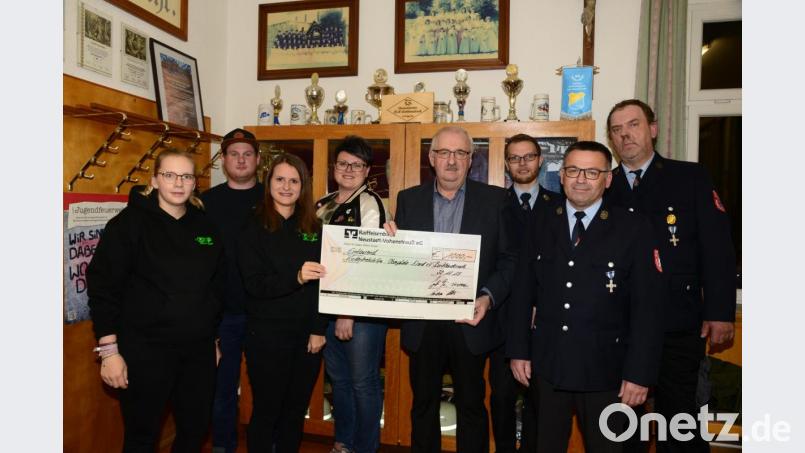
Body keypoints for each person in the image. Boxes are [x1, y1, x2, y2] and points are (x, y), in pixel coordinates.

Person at [508, 141, 665, 452]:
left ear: (607, 179)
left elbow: (648, 309)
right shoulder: (540, 221)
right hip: (549, 368)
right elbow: (523, 292)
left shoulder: (633, 228)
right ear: (562, 176)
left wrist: (639, 374)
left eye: (592, 172)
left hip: (607, 373)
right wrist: (518, 350)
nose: (581, 179)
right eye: (573, 170)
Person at [605, 99, 737, 452]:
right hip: (621, 327)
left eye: (632, 124)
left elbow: (718, 247)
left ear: (653, 129)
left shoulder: (689, 177)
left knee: (678, 421)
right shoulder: (605, 187)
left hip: (677, 323)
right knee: (622, 422)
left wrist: (720, 311)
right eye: (616, 130)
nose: (625, 135)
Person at [384, 126, 517, 453]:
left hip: (469, 322)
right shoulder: (408, 200)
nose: (452, 160)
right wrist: (388, 243)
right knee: (423, 404)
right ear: (432, 158)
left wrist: (487, 297)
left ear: (471, 160)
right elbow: (402, 260)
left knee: (472, 404)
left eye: (460, 153)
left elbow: (510, 260)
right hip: (423, 322)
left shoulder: (496, 200)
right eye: (444, 152)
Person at [87, 148, 225, 452]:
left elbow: (215, 289)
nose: (178, 183)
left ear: (194, 183)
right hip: (144, 352)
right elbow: (102, 288)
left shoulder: (206, 228)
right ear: (155, 179)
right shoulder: (128, 225)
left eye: (186, 176)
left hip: (197, 352)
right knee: (142, 436)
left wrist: (212, 339)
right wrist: (109, 352)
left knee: (195, 430)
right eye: (169, 175)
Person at [238, 153, 328, 453]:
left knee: (294, 412)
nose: (287, 187)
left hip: (306, 338)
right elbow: (254, 285)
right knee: (266, 410)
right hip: (266, 337)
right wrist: (297, 277)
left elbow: (325, 287)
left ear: (303, 186)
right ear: (269, 183)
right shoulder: (252, 227)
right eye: (280, 179)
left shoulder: (316, 229)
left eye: (294, 180)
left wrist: (318, 329)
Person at [316, 136, 390, 453]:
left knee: (363, 382)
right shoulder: (323, 202)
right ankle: (343, 442)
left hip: (358, 312)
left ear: (367, 170)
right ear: (334, 166)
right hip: (325, 307)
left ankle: (365, 447)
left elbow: (367, 259)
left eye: (356, 165)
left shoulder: (370, 204)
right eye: (343, 163)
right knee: (340, 382)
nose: (349, 170)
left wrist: (348, 311)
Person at [490, 134, 559, 453]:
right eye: (515, 158)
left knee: (540, 400)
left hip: (545, 320)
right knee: (501, 397)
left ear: (540, 160)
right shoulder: (493, 206)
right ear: (506, 164)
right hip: (501, 319)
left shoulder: (559, 206)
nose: (522, 163)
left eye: (528, 157)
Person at [201, 128, 263, 453]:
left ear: (257, 159)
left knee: (267, 390)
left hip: (265, 314)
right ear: (223, 160)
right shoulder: (205, 203)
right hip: (222, 315)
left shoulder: (274, 197)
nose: (241, 160)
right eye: (234, 154)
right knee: (221, 390)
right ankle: (223, 447)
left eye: (247, 154)